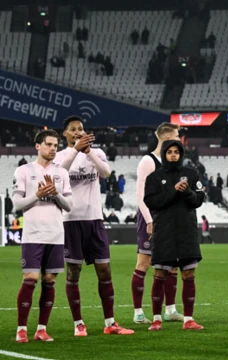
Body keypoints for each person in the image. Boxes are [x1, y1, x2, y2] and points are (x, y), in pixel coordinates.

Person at [54, 116, 134, 336]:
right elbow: (58, 174)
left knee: (104, 269)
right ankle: (78, 323)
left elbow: (106, 173)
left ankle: (110, 323)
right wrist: (76, 151)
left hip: (94, 219)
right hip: (70, 220)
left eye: (80, 129)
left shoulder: (96, 153)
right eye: (72, 129)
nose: (77, 132)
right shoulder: (60, 156)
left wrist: (87, 151)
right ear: (65, 134)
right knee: (74, 271)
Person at [13, 130, 73, 343]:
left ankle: (41, 329)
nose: (53, 148)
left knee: (49, 281)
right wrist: (38, 194)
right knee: (31, 279)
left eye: (56, 145)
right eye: (49, 144)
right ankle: (21, 329)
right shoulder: (24, 171)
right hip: (32, 235)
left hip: (55, 235)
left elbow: (69, 206)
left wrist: (54, 192)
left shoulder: (62, 173)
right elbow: (17, 204)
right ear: (37, 146)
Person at [144, 140, 205, 331]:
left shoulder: (192, 174)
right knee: (160, 274)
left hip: (186, 231)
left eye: (176, 152)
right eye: (169, 152)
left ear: (181, 154)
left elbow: (198, 200)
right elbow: (152, 202)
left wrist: (187, 191)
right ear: (164, 154)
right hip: (164, 232)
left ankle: (188, 319)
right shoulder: (154, 177)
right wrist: (173, 191)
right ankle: (156, 319)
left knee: (189, 273)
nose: (173, 155)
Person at [132, 123, 184, 324]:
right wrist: (149, 220)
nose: (179, 140)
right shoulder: (148, 161)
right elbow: (139, 195)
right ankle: (138, 313)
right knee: (144, 264)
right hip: (151, 219)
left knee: (171, 266)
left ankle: (170, 310)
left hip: (169, 219)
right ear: (166, 137)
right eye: (176, 136)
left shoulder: (172, 162)